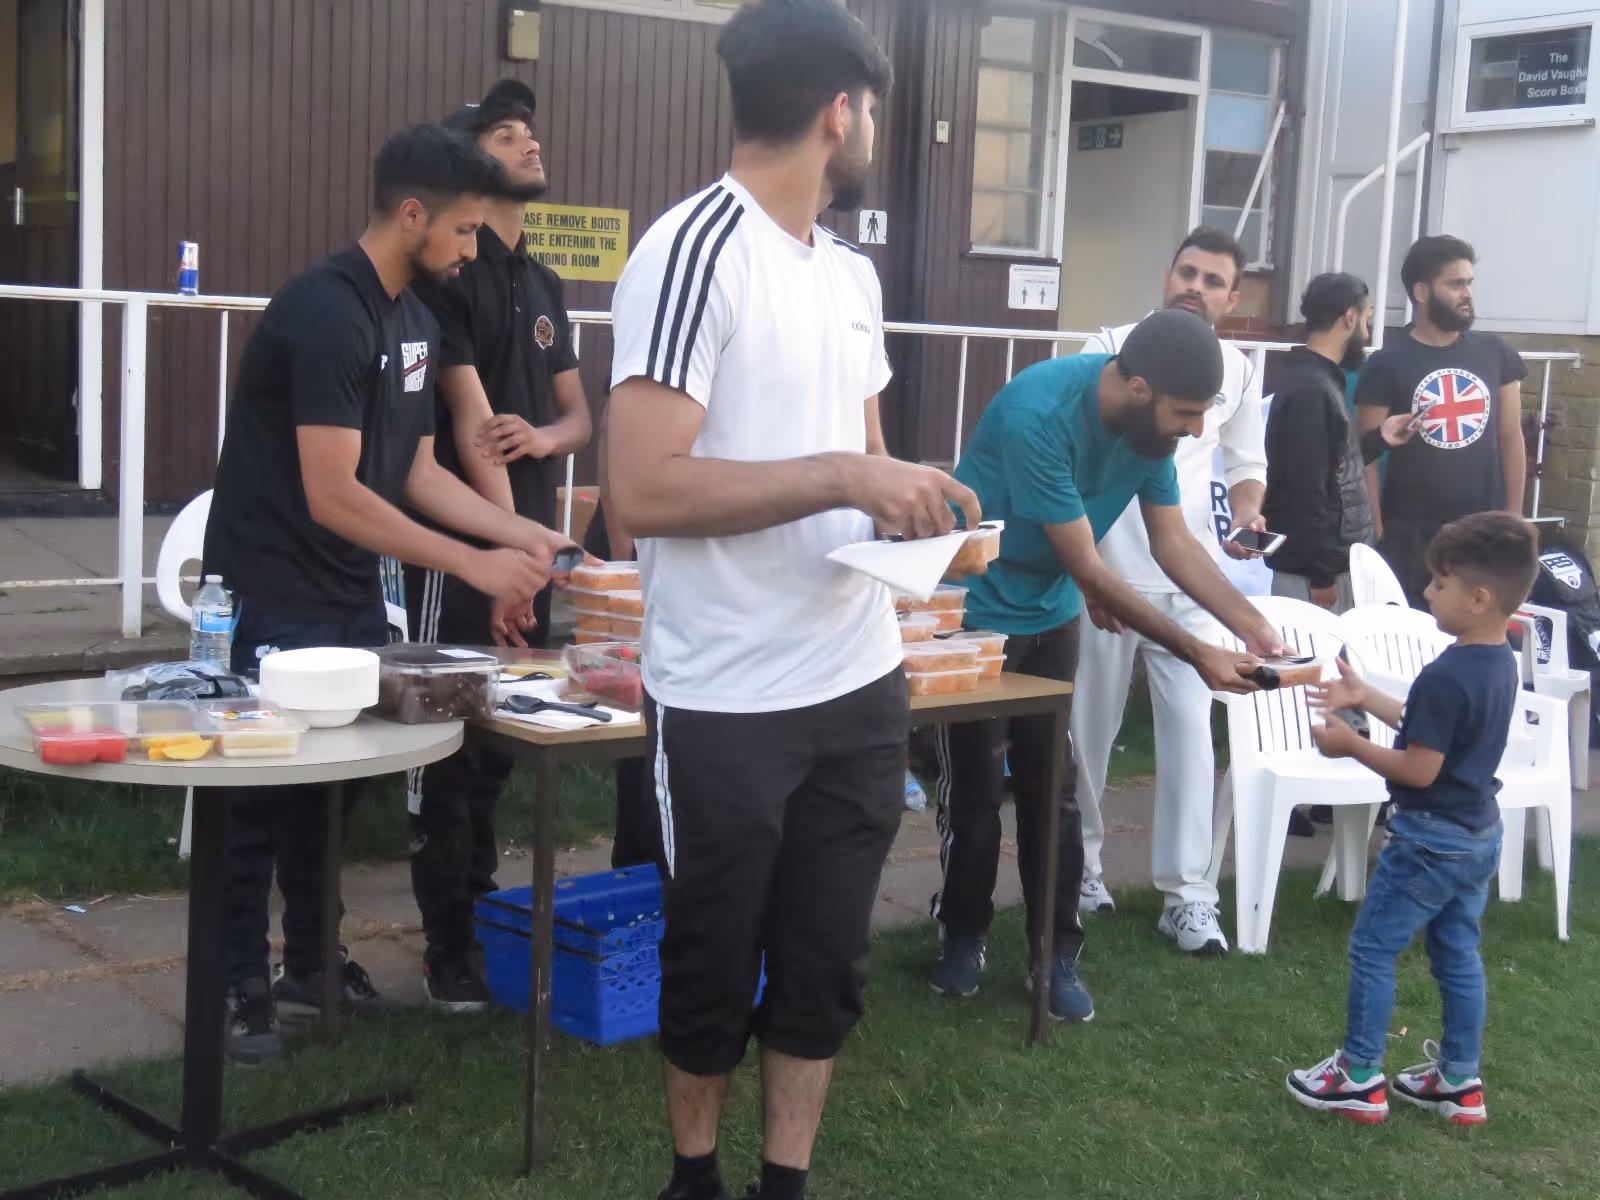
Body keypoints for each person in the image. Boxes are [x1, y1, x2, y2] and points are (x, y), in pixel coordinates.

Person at [606, 5, 979, 1197]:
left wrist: (922, 515)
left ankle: (784, 1184)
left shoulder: (852, 275)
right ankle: (693, 1178)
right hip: (723, 693)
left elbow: (860, 468)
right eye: (872, 110)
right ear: (841, 112)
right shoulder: (691, 249)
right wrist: (848, 475)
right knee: (713, 961)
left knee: (824, 966)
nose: (872, 128)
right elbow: (639, 491)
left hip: (856, 678)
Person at [202, 125, 574, 1065]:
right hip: (272, 587)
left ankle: (313, 965)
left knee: (331, 791)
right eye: (460, 231)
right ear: (411, 214)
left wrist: (521, 534)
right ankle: (237, 982)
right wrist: (471, 564)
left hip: (349, 596)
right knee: (255, 793)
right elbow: (333, 492)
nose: (471, 249)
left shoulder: (416, 321)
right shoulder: (325, 311)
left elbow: (412, 474)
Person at [928, 308, 1285, 1016]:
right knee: (972, 797)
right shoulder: (1041, 409)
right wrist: (1197, 652)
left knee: (1053, 790)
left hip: (1052, 608)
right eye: (1186, 415)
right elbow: (1088, 564)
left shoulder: (1149, 433)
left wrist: (1251, 626)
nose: (1192, 433)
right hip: (974, 612)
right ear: (1143, 388)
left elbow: (1174, 543)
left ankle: (1053, 954)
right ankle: (962, 939)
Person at [401, 80, 594, 1014]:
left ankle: (481, 916)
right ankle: (448, 945)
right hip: (458, 546)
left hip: (524, 544)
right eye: (506, 135)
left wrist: (544, 444)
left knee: (510, 737)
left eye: (531, 130)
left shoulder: (542, 282)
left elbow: (575, 415)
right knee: (453, 739)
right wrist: (509, 546)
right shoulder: (451, 275)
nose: (529, 145)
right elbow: (470, 426)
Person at [1287, 512, 1538, 1125]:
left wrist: (1351, 745)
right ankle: (1458, 1081)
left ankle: (1360, 1075)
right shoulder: (1497, 660)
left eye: (1438, 584)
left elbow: (1420, 769)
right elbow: (1437, 732)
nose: (1426, 593)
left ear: (1478, 599)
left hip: (1429, 841)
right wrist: (1368, 698)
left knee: (1373, 948)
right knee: (1458, 952)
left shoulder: (1448, 673)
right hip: (1479, 833)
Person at [1067, 228, 1266, 955]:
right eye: (1188, 272)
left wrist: (1248, 508)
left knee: (1190, 731)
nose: (1197, 287)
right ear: (1166, 274)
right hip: (1106, 574)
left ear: (1232, 299)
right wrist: (1082, 564)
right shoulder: (1108, 348)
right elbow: (1081, 454)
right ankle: (1083, 872)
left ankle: (1188, 896)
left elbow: (1246, 459)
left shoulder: (1240, 368)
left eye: (1214, 281)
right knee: (1088, 729)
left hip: (1189, 576)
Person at [1355, 235, 1528, 608]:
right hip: (1411, 537)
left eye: (1469, 283)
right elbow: (1364, 454)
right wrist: (1377, 528)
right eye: (1455, 283)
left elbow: (1511, 438)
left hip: (1485, 531)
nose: (1467, 293)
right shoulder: (1387, 363)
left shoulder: (1495, 353)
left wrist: (1514, 518)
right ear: (1421, 291)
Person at [1262, 273, 1418, 611]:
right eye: (1367, 319)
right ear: (1350, 317)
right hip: (1315, 575)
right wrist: (1322, 577)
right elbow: (1308, 489)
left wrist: (1382, 438)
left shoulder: (1316, 381)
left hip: (1324, 568)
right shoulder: (1311, 389)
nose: (1366, 331)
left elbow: (1330, 466)